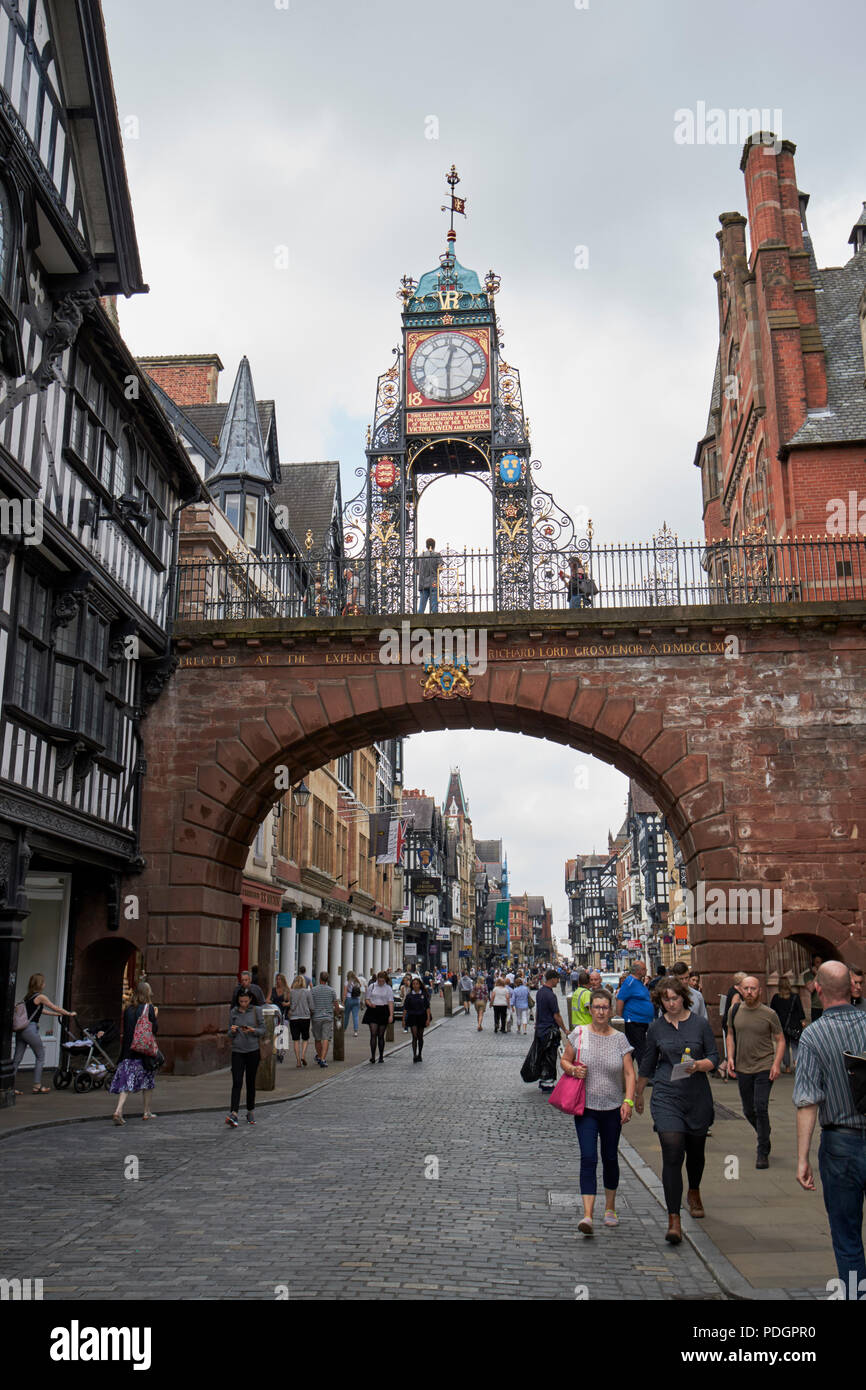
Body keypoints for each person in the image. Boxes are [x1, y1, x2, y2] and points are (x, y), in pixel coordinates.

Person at [794, 961, 866, 1296]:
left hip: (840, 1144)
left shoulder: (813, 1036)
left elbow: (807, 1100)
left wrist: (802, 1157)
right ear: (852, 987)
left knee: (847, 1234)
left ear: (819, 989)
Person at [635, 976, 719, 1243]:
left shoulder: (700, 1025)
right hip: (666, 1094)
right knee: (672, 1149)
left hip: (696, 1095)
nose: (671, 1003)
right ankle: (674, 1219)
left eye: (675, 998)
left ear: (684, 997)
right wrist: (637, 1094)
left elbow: (715, 1057)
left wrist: (701, 1064)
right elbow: (647, 1063)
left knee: (695, 1152)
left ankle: (693, 1190)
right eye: (666, 999)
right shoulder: (656, 1029)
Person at [562, 990, 636, 1234]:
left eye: (605, 1007)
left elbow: (629, 1073)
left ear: (611, 1010)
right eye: (597, 1007)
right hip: (585, 1107)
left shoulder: (619, 1040)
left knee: (610, 1157)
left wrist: (628, 1100)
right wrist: (572, 1070)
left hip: (613, 1108)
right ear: (590, 1009)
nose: (601, 1012)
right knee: (588, 1158)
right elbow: (565, 1060)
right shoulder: (579, 1034)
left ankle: (610, 1207)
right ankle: (587, 1215)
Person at [726, 975, 784, 1168]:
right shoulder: (734, 1011)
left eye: (753, 988)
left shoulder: (769, 1014)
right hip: (743, 1067)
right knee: (748, 1110)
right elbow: (731, 1034)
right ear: (740, 990)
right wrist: (730, 1057)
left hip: (764, 1066)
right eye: (746, 988)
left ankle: (762, 1151)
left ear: (760, 991)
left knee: (760, 1107)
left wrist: (776, 1064)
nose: (749, 992)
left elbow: (780, 1040)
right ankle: (764, 1131)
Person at [12, 973, 76, 1096]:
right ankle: (37, 1085)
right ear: (40, 984)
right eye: (44, 982)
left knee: (17, 1059)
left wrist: (57, 1015)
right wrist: (68, 1013)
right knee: (40, 1055)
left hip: (21, 1030)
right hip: (30, 1030)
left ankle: (9, 1086)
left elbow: (42, 1011)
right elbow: (54, 1007)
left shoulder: (28, 997)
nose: (45, 984)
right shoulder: (41, 997)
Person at [110, 981, 160, 1125]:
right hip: (144, 1052)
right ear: (146, 993)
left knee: (126, 1083)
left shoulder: (128, 1009)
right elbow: (153, 1030)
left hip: (128, 1051)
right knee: (148, 1083)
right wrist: (155, 1016)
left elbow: (126, 1032)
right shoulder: (148, 1008)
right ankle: (146, 1112)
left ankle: (118, 1110)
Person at [226, 989, 264, 1127]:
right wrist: (233, 1031)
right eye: (241, 1001)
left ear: (250, 1000)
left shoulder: (256, 1011)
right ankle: (234, 1113)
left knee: (250, 1082)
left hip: (253, 1050)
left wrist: (253, 1030)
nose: (243, 1004)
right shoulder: (233, 1012)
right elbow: (229, 1033)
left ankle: (250, 1110)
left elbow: (263, 1030)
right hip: (237, 1051)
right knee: (237, 1081)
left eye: (246, 1001)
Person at [615, 961, 654, 1069]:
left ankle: (624, 1071)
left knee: (632, 1049)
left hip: (641, 1021)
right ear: (638, 971)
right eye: (644, 969)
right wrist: (620, 1020)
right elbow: (620, 999)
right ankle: (644, 1073)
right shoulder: (630, 982)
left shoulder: (638, 982)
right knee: (641, 1048)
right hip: (633, 1021)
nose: (646, 971)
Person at [535, 969, 568, 1093]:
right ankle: (548, 1083)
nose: (558, 981)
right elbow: (556, 1015)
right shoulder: (551, 995)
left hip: (541, 1029)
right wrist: (564, 1029)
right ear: (553, 979)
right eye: (557, 979)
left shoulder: (540, 992)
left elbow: (539, 1010)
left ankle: (544, 1081)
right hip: (550, 1029)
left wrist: (537, 1024)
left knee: (543, 1056)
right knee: (550, 1056)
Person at [769, 976, 805, 1073]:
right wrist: (802, 1021)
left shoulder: (776, 998)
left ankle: (787, 1067)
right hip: (794, 1025)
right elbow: (800, 1010)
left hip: (781, 1025)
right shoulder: (795, 996)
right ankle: (797, 1063)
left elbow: (772, 1011)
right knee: (795, 1045)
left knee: (784, 1045)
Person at [310, 971, 340, 1068]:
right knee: (326, 1038)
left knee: (318, 1039)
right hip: (328, 1017)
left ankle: (319, 1056)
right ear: (327, 980)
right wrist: (338, 1014)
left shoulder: (313, 990)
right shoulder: (331, 991)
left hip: (316, 1017)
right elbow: (336, 1004)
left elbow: (311, 1004)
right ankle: (322, 1059)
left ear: (319, 979)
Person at [720, 970, 747, 1078]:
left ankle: (723, 1067)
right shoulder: (736, 993)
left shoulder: (733, 990)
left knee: (735, 1046)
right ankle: (726, 1067)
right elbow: (734, 1009)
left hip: (730, 1022)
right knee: (735, 1046)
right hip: (733, 1024)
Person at [364, 970, 394, 1063]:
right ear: (377, 979)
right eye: (380, 981)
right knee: (373, 1034)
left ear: (385, 980)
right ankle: (373, 1056)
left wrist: (391, 1015)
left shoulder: (388, 988)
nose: (381, 982)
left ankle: (381, 1056)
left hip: (383, 1010)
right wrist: (370, 1004)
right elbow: (367, 998)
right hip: (373, 1010)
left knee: (381, 1035)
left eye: (383, 981)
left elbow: (390, 1002)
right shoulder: (372, 986)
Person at [404, 977, 432, 1062]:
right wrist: (403, 1019)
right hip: (412, 1017)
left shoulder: (423, 995)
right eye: (414, 984)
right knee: (414, 1036)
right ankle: (414, 1055)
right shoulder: (409, 996)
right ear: (412, 985)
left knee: (420, 1036)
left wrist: (428, 1019)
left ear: (420, 985)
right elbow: (405, 1008)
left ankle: (420, 1053)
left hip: (421, 1016)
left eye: (417, 984)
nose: (415, 985)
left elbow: (427, 1008)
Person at [288, 973, 313, 1067]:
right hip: (305, 1018)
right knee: (305, 1038)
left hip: (294, 1018)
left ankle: (298, 1061)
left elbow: (290, 1003)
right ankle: (303, 1055)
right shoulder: (307, 992)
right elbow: (312, 1006)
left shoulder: (291, 992)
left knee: (296, 1040)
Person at [417, 537, 442, 614]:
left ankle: (418, 619)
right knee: (434, 604)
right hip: (433, 582)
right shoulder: (437, 555)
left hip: (423, 583)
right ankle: (435, 619)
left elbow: (417, 571)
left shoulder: (420, 556)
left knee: (421, 606)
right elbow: (440, 568)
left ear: (426, 546)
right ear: (434, 546)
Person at [804, 954, 825, 1022]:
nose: (820, 965)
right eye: (817, 962)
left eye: (821, 962)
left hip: (827, 1006)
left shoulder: (827, 974)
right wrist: (817, 974)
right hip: (816, 1007)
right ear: (813, 963)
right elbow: (811, 988)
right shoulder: (808, 975)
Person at [343, 971, 362, 1037]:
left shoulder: (346, 982)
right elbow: (361, 986)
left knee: (346, 1016)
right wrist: (356, 978)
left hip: (349, 999)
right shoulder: (356, 982)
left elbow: (345, 993)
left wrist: (343, 1002)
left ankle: (344, 1029)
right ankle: (355, 1031)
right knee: (355, 1016)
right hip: (356, 999)